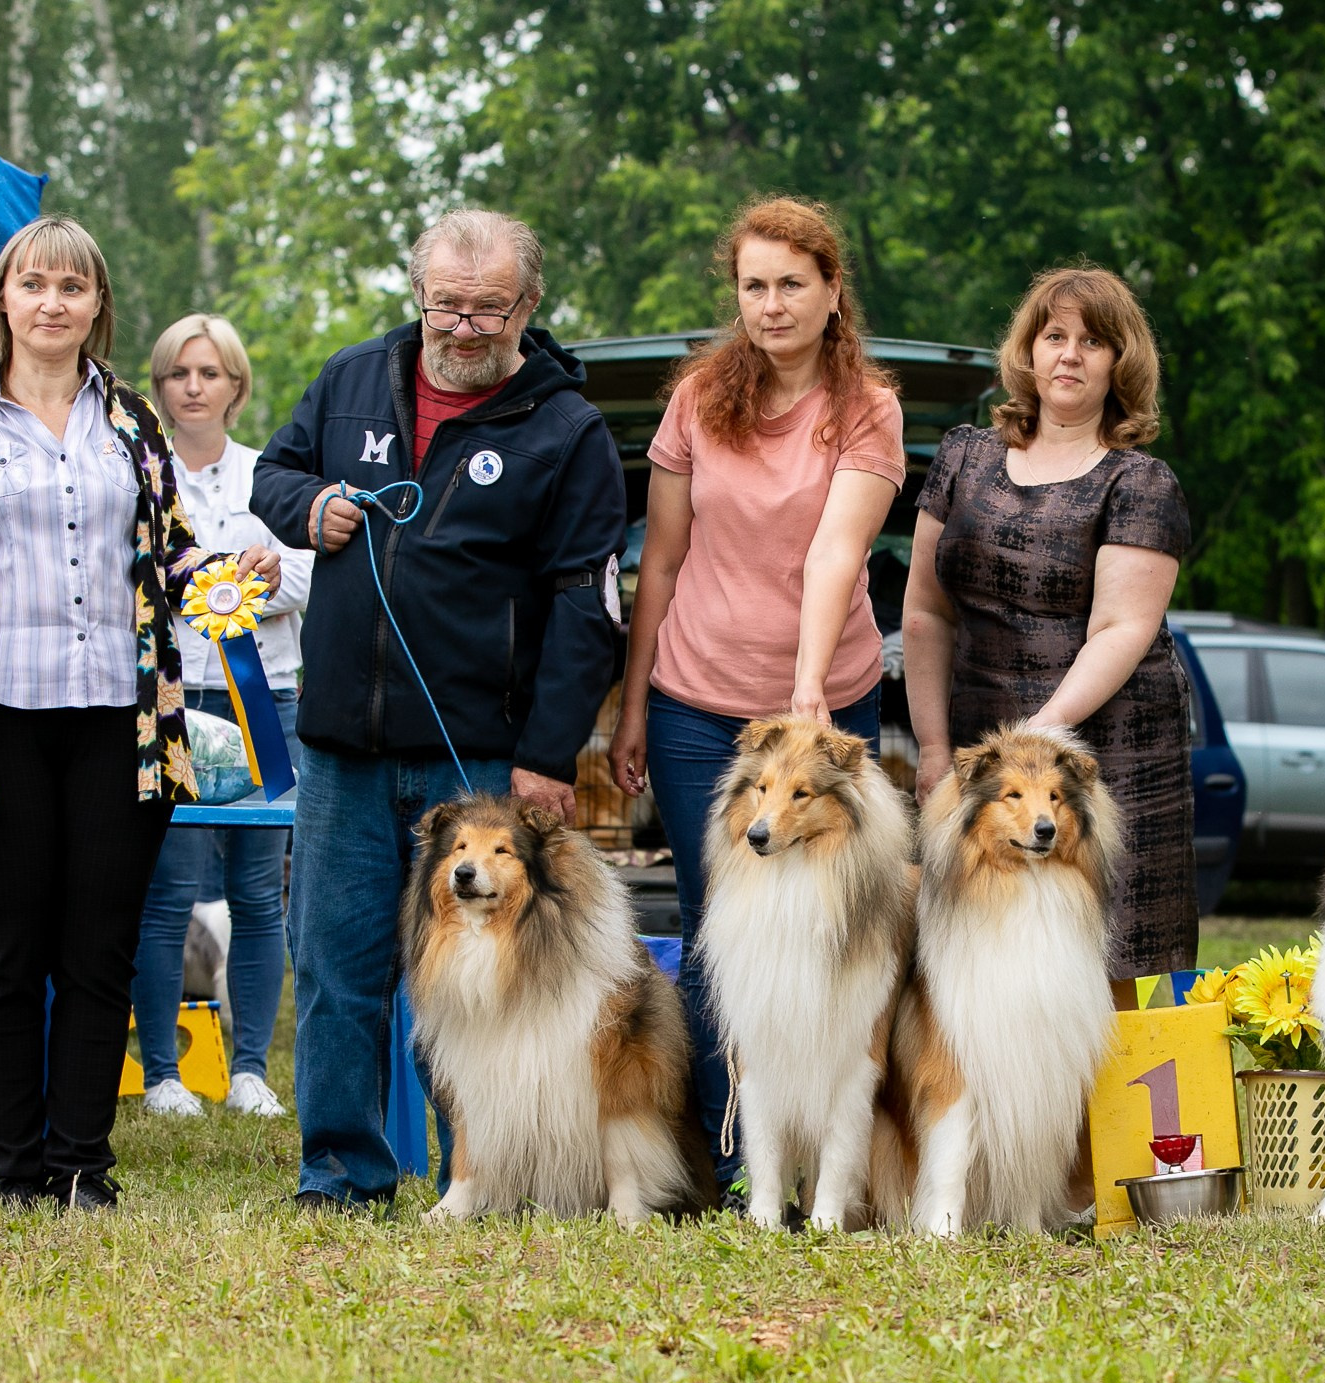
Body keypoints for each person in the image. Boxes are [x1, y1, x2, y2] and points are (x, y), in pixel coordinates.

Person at [0, 215, 281, 1212]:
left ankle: (83, 1164)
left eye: (73, 287)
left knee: (99, 951)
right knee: (4, 957)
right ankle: (12, 1173)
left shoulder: (133, 422)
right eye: (34, 284)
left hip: (120, 726)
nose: (52, 302)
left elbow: (174, 557)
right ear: (2, 299)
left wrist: (230, 577)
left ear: (97, 306)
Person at [250, 209, 625, 1213]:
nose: (463, 329)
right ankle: (340, 1176)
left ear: (528, 305)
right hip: (341, 744)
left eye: (487, 309)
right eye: (445, 305)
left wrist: (548, 755)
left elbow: (586, 608)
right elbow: (271, 472)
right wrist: (308, 505)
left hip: (479, 761)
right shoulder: (351, 377)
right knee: (335, 971)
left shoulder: (567, 428)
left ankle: (487, 1176)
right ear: (418, 292)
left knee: (485, 984)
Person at [607, 196, 904, 1200]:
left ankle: (830, 1160)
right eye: (753, 285)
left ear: (830, 292)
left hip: (829, 712)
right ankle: (733, 1159)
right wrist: (637, 701)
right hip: (699, 700)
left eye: (791, 283)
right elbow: (661, 559)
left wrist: (810, 686)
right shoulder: (697, 398)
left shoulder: (866, 406)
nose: (771, 304)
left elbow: (835, 550)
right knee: (717, 937)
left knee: (830, 937)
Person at [902, 266, 1196, 992]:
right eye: (1054, 336)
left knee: (1106, 968)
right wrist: (937, 746)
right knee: (982, 957)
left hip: (1108, 747)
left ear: (1118, 362)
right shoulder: (964, 457)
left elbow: (1121, 630)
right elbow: (924, 611)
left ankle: (1121, 1112)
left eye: (1093, 341)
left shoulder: (1140, 482)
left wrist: (1036, 741)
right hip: (982, 744)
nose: (1070, 354)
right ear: (1028, 352)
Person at [130, 314, 312, 1118]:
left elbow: (311, 580)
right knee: (167, 892)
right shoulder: (140, 476)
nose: (194, 386)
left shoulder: (269, 477)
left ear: (237, 386)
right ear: (161, 387)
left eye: (210, 373)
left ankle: (248, 1072)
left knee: (257, 892)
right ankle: (164, 1072)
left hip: (264, 697)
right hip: (169, 705)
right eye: (178, 373)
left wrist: (257, 585)